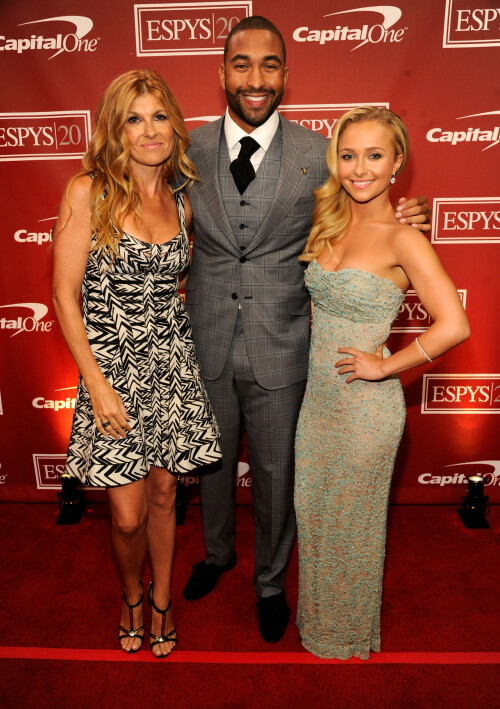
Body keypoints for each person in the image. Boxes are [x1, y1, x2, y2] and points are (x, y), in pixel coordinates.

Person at [182, 17, 431, 643]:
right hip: (205, 337)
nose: (255, 78)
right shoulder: (186, 151)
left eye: (270, 65)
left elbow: (363, 209)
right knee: (211, 467)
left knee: (275, 476)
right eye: (242, 64)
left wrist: (409, 217)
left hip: (287, 345)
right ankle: (217, 555)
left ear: (286, 75)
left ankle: (270, 581)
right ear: (222, 74)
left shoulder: (320, 154)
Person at [52, 70, 221, 657]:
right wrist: (96, 383)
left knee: (166, 497)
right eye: (133, 118)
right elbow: (63, 296)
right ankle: (130, 591)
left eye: (157, 117)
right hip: (113, 371)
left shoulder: (181, 195)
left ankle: (161, 603)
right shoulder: (87, 191)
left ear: (173, 124)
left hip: (172, 364)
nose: (149, 131)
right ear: (115, 129)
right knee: (125, 516)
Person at [294, 106, 469, 660]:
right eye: (348, 155)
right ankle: (318, 624)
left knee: (352, 526)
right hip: (318, 403)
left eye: (374, 156)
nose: (360, 168)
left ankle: (344, 637)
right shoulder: (331, 222)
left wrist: (386, 364)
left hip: (366, 411)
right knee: (315, 514)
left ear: (398, 164)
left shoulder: (405, 238)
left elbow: (456, 325)